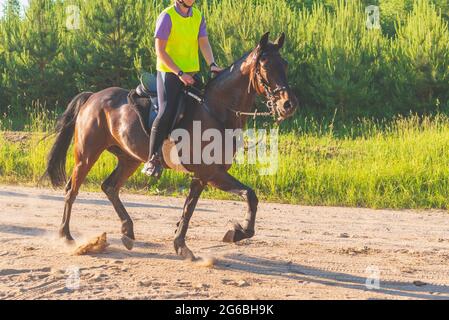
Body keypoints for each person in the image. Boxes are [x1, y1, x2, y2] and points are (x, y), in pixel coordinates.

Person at [141, 0, 224, 177]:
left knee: (207, 105)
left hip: (191, 74)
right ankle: (153, 159)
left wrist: (212, 64)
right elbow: (160, 51)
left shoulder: (198, 16)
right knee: (166, 111)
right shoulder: (167, 16)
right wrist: (179, 73)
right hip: (169, 74)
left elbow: (203, 43)